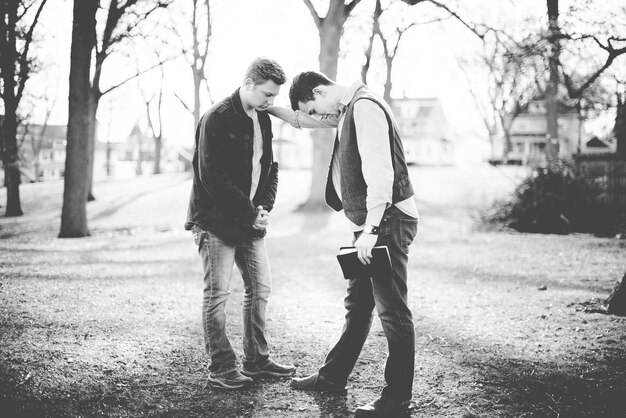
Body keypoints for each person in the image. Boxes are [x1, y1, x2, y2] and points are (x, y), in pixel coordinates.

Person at [268, 71, 418, 417]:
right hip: (372, 225)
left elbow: (381, 173)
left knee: (392, 311)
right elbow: (304, 120)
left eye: (315, 108)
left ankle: (396, 401)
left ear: (320, 91)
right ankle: (333, 376)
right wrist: (268, 108)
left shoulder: (364, 108)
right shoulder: (346, 109)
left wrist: (371, 229)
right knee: (359, 304)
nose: (321, 119)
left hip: (385, 222)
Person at [185, 58, 295, 390]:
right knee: (218, 295)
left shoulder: (263, 119)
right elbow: (211, 176)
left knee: (260, 288)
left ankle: (257, 361)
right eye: (266, 94)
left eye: (274, 96)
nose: (270, 102)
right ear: (248, 83)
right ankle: (221, 368)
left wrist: (263, 208)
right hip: (215, 221)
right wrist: (249, 212)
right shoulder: (216, 118)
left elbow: (270, 168)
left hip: (250, 221)